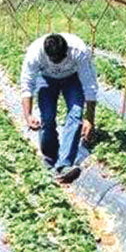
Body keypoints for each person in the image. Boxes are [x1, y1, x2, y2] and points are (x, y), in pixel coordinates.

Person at [20, 33, 98, 184]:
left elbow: (89, 85)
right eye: (53, 60)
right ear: (46, 53)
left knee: (76, 116)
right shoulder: (35, 53)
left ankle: (64, 164)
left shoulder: (79, 51)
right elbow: (26, 83)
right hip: (46, 79)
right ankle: (50, 159)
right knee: (47, 118)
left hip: (72, 79)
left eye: (60, 59)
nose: (57, 64)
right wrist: (28, 115)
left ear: (66, 51)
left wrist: (89, 119)